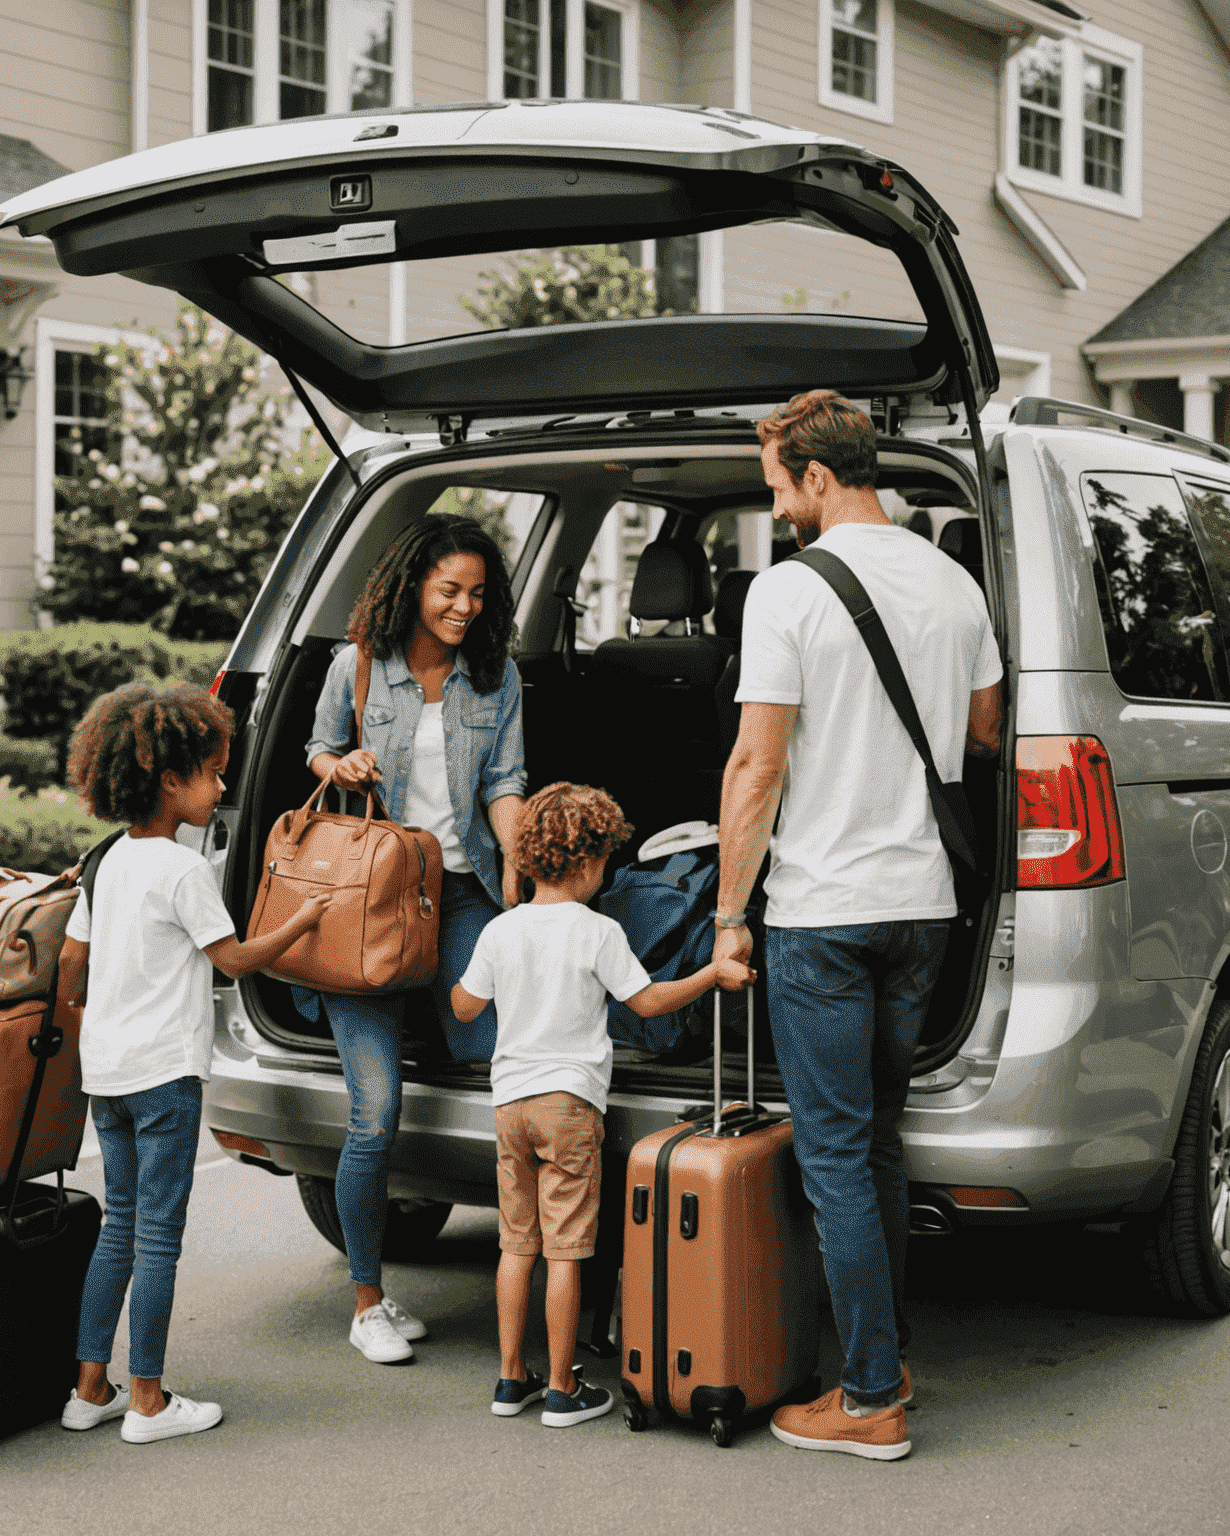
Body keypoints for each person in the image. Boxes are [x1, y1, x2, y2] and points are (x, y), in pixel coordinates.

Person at [713, 390, 1003, 1461]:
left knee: (832, 1153)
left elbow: (757, 765)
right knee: (876, 1140)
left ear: (819, 478)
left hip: (824, 914)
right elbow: (983, 731)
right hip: (923, 906)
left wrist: (729, 916)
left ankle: (871, 1394)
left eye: (780, 484)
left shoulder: (788, 592)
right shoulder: (956, 582)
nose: (778, 503)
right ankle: (890, 1353)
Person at [56, 681, 331, 1444]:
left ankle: (89, 1389)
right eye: (213, 773)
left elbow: (72, 967)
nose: (221, 787)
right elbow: (235, 960)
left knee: (120, 1228)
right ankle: (147, 1402)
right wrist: (301, 921)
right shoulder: (183, 871)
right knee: (158, 1239)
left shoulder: (107, 861)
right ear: (170, 779)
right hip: (165, 1078)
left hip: (107, 1074)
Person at [451, 783, 755, 1426]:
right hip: (569, 1105)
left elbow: (463, 1006)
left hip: (509, 1104)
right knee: (565, 1251)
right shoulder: (599, 931)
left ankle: (511, 1379)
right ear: (590, 864)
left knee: (516, 1245)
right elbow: (646, 1003)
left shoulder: (501, 932)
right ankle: (563, 1388)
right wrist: (710, 976)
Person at [302, 513, 527, 1365]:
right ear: (410, 588)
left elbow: (505, 780)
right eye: (448, 592)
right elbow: (318, 748)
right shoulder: (355, 667)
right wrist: (339, 765)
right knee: (376, 1114)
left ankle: (545, 1265)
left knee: (502, 1053)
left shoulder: (495, 679)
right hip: (368, 897)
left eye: (476, 593)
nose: (464, 608)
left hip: (461, 887)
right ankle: (368, 1302)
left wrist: (517, 864)